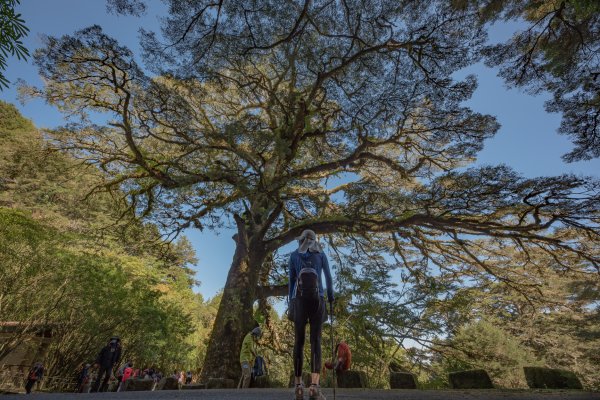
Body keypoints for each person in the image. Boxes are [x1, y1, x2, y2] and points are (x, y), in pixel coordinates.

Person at [289, 229, 333, 400]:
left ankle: (298, 386)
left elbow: (292, 280)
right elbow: (328, 277)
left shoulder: (294, 255)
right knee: (316, 341)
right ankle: (314, 387)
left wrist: (291, 301)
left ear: (300, 240)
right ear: (315, 240)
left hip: (298, 301)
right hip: (318, 300)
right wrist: (330, 298)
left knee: (298, 342)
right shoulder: (320, 254)